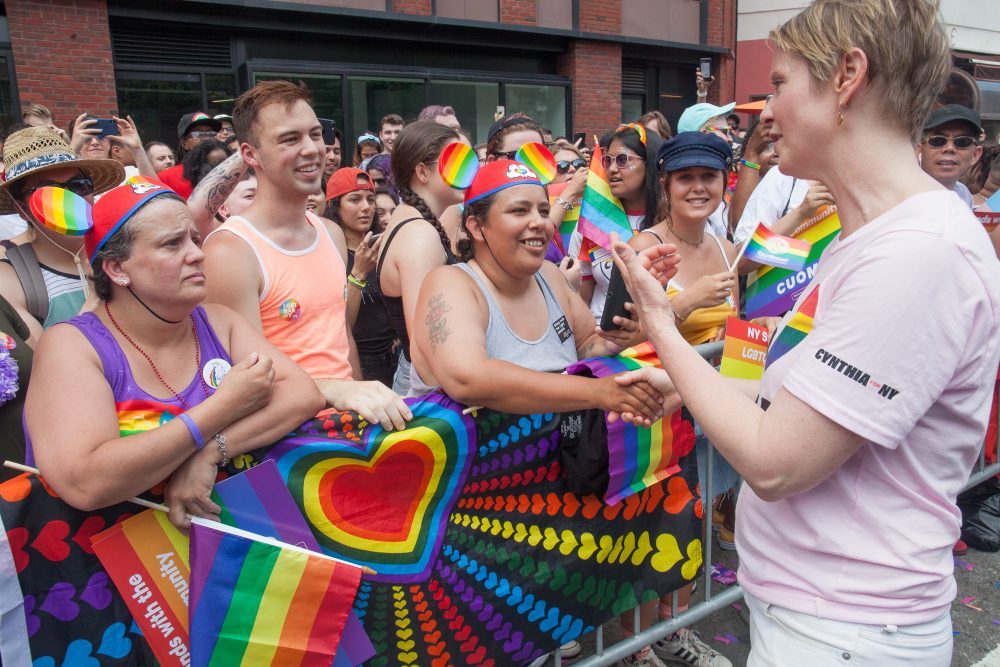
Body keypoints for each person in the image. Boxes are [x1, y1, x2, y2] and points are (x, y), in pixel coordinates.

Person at [612, 1, 999, 664]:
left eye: (782, 84)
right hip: (819, 617)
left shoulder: (917, 250)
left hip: (844, 630)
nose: (765, 112)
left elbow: (775, 460)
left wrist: (661, 331)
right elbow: (792, 379)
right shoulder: (875, 237)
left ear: (847, 76)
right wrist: (684, 383)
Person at [201, 80, 410, 430]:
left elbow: (338, 332)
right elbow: (248, 381)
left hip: (348, 431)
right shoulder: (231, 251)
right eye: (290, 139)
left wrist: (356, 393)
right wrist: (337, 390)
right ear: (249, 154)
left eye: (315, 134)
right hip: (285, 444)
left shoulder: (329, 233)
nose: (312, 149)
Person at [0, 127, 124, 329]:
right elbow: (42, 360)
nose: (70, 198)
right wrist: (94, 302)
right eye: (49, 191)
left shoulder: (124, 249)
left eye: (79, 185)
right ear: (21, 209)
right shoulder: (13, 280)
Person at [376, 120, 464, 395]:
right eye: (456, 163)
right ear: (423, 172)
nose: (467, 173)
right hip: (427, 389)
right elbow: (425, 344)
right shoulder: (419, 234)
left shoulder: (413, 222)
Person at [567, 124, 662, 319]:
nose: (611, 169)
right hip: (602, 339)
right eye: (607, 160)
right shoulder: (591, 223)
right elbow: (580, 300)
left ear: (650, 163)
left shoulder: (673, 222)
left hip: (658, 335)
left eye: (621, 160)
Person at [324, 168, 397, 387]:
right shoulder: (330, 254)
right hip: (356, 364)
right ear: (335, 206)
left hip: (394, 361)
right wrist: (359, 273)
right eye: (354, 200)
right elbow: (341, 324)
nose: (366, 207)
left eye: (370, 199)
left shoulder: (384, 247)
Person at [917, 104, 983, 209]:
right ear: (919, 149)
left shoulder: (964, 196)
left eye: (962, 142)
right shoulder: (897, 193)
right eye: (938, 141)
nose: (949, 148)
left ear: (975, 155)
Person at [157, 112, 223, 199]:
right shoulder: (166, 178)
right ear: (184, 143)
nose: (206, 138)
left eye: (211, 133)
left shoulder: (229, 169)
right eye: (197, 134)